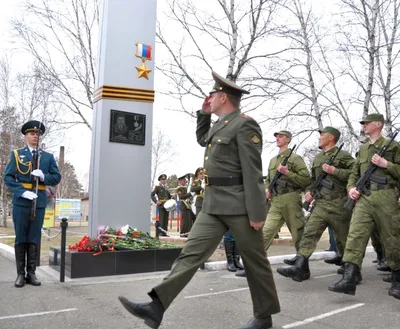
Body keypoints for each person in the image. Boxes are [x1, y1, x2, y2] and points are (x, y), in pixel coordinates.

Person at [118, 71, 280, 329]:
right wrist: (204, 114)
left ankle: (264, 316)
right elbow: (202, 139)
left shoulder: (244, 124)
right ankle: (156, 306)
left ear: (224, 97)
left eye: (213, 94)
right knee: (190, 254)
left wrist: (258, 212)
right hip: (214, 204)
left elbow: (252, 171)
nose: (209, 97)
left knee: (254, 261)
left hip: (239, 205)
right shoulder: (220, 124)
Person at [328, 113, 400, 299]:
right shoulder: (363, 149)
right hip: (364, 197)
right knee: (355, 233)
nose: (364, 125)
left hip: (386, 195)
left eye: (367, 123)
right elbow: (354, 173)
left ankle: (398, 278)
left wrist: (387, 164)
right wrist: (351, 187)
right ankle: (350, 278)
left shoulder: (392, 146)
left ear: (378, 124)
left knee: (392, 237)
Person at [276, 127, 355, 282]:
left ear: (331, 137)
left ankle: (352, 271)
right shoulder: (318, 158)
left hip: (338, 203)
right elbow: (314, 179)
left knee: (344, 239)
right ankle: (300, 268)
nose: (319, 137)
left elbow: (355, 174)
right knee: (309, 233)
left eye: (322, 134)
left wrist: (335, 171)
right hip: (321, 204)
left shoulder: (343, 156)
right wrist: (310, 192)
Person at [4, 120, 61, 288]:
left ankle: (32, 273)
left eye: (37, 134)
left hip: (39, 201)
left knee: (34, 237)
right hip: (22, 202)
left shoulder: (48, 157)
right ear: (25, 136)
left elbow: (56, 177)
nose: (35, 136)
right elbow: (7, 177)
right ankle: (20, 274)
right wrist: (22, 191)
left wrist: (43, 176)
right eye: (31, 133)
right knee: (21, 236)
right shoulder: (16, 155)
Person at [263, 130, 311, 264]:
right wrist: (267, 189)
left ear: (288, 139)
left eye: (281, 136)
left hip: (291, 198)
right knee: (266, 232)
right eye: (276, 136)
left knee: (298, 234)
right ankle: (256, 265)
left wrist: (287, 172)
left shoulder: (295, 158)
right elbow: (268, 179)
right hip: (276, 201)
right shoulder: (273, 160)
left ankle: (302, 267)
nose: (277, 138)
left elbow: (306, 179)